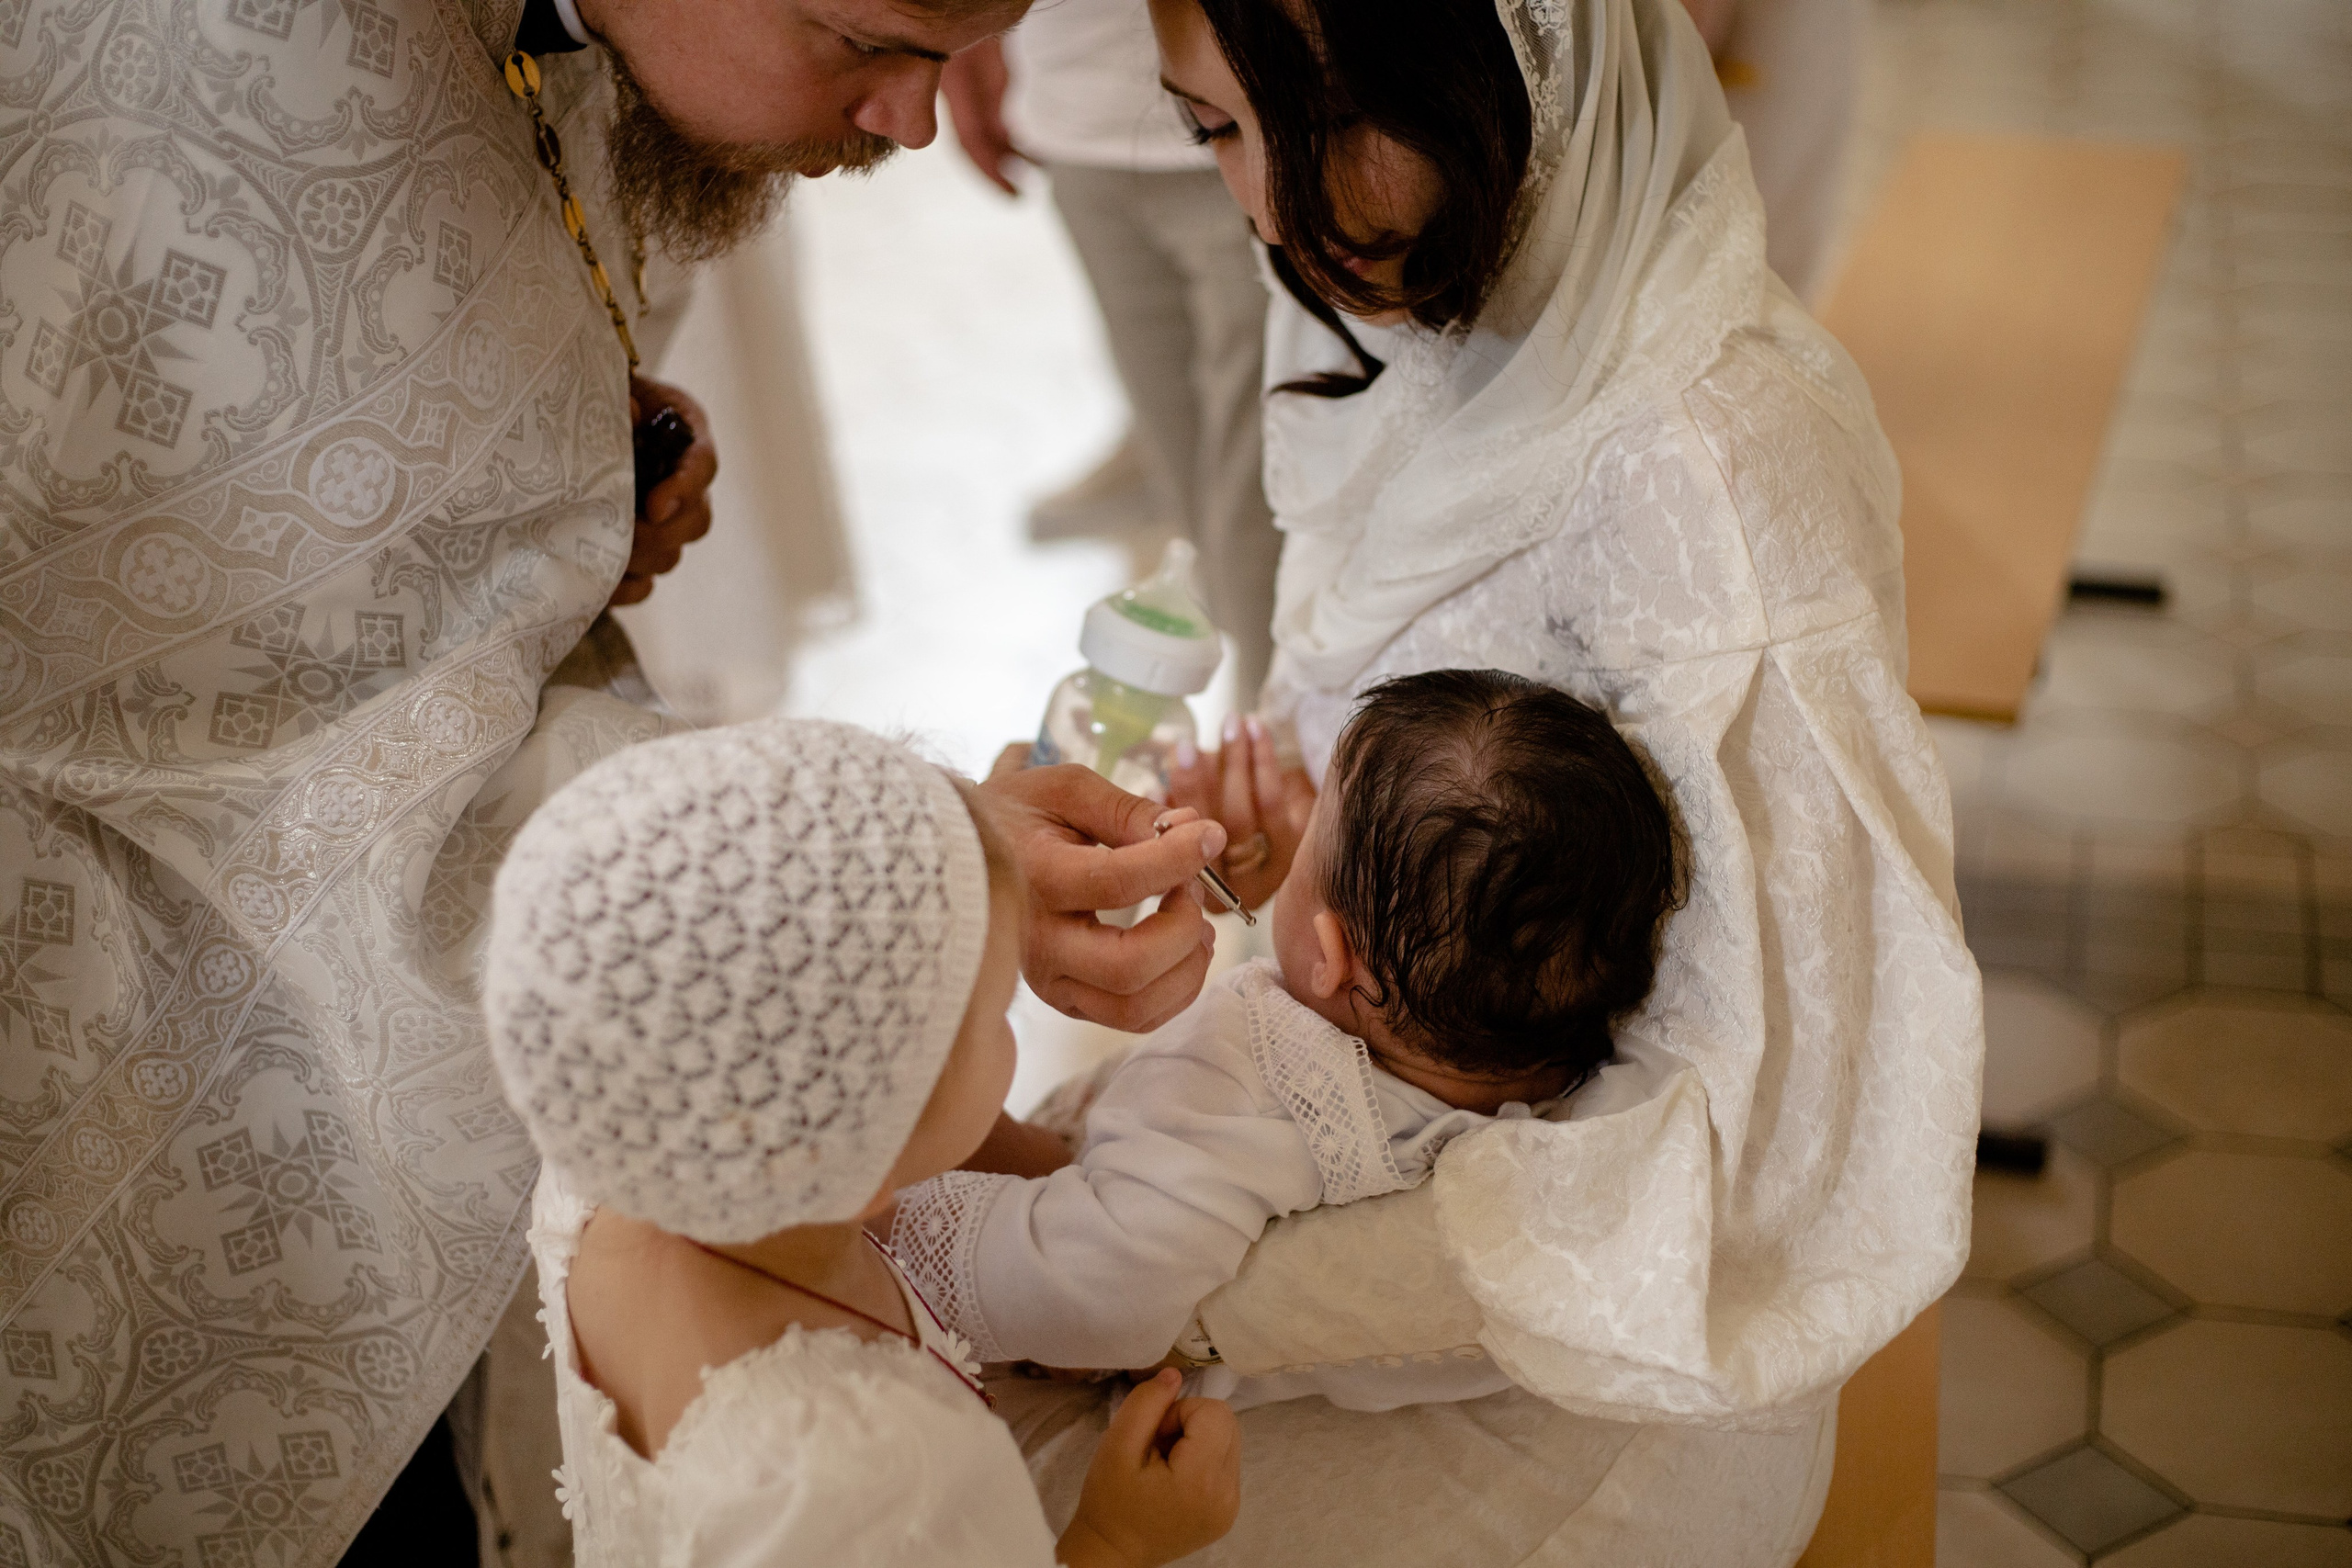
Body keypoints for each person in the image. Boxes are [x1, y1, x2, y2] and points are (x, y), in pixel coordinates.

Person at [0, 0, 1239, 1562]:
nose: (919, 123)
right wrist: (920, 882)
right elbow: (272, 750)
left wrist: (574, 497)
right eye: (873, 42)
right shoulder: (183, 92)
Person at [989, 0, 1986, 1560]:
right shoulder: (1399, 323)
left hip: (1598, 1364)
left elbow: (1747, 1136)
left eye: (1321, 118)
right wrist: (1310, 843)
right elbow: (1470, 887)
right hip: (1349, 1193)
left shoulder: (1712, 466)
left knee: (996, 1506)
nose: (1268, 209)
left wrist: (1170, 1286)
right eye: (1214, 130)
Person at [483, 718, 1240, 1567]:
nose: (1012, 1028)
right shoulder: (872, 1474)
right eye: (996, 1014)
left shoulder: (617, 1146)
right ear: (865, 1171)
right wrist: (1117, 1538)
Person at [894, 671, 1678, 1409]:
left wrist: (893, 1222)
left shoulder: (1238, 1091)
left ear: (1332, 957)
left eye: (1308, 848)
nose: (1292, 838)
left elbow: (1090, 1289)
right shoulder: (1548, 1079)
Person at [941, 1, 1280, 699]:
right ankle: (1250, 685)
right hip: (1076, 117)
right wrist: (958, 42)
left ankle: (1269, 721)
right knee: (1178, 448)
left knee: (1258, 472)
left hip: (1248, 104)